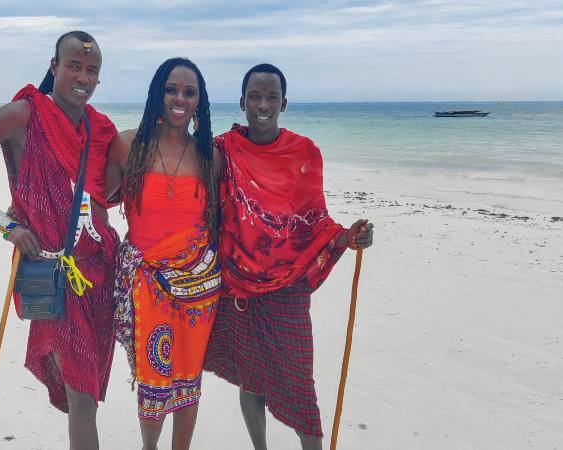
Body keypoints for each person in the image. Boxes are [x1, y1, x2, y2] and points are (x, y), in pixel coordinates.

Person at [0, 31, 119, 449]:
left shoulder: (100, 128)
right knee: (82, 397)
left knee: (86, 392)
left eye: (92, 71)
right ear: (54, 67)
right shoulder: (22, 115)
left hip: (98, 277)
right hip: (49, 275)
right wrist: (6, 226)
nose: (83, 77)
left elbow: (112, 189)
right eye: (74, 66)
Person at [204, 63, 374, 450]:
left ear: (284, 104)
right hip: (238, 285)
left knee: (299, 383)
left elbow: (315, 218)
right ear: (243, 101)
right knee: (251, 381)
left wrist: (350, 237)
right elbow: (203, 205)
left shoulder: (305, 152)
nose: (262, 105)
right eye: (255, 96)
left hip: (288, 289)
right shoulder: (222, 150)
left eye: (271, 98)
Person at [106, 57, 221, 450]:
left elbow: (219, 221)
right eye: (171, 89)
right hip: (147, 286)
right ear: (157, 93)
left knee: (190, 378)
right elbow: (94, 198)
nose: (179, 98)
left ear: (199, 102)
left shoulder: (210, 156)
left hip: (199, 287)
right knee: (153, 381)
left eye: (190, 93)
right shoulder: (127, 146)